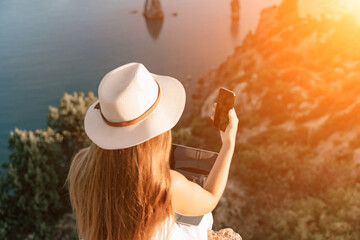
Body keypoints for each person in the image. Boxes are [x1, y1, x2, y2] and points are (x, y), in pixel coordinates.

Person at [67, 62, 238, 240]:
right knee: (202, 220)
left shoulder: (80, 166)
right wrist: (228, 143)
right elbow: (210, 197)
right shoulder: (165, 185)